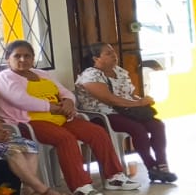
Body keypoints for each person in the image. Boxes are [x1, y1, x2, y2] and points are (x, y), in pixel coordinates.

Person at [0, 40, 136, 195]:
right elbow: (20, 99)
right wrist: (52, 107)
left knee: (97, 132)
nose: (22, 59)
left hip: (59, 116)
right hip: (29, 122)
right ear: (7, 58)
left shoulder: (42, 74)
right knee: (65, 139)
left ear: (33, 58)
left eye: (27, 56)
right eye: (17, 56)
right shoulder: (4, 77)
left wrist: (68, 102)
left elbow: (65, 92)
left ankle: (114, 177)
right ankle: (81, 187)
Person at [74, 43, 175, 184]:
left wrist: (141, 101)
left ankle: (162, 164)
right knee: (137, 129)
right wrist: (138, 104)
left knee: (157, 125)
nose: (114, 55)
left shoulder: (120, 71)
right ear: (96, 58)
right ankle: (151, 167)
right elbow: (109, 99)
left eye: (113, 52)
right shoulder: (90, 75)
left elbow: (129, 94)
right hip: (103, 115)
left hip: (127, 111)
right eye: (108, 53)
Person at [0, 81, 66, 195]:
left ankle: (28, 191)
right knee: (14, 151)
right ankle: (43, 190)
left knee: (30, 146)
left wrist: (1, 131)